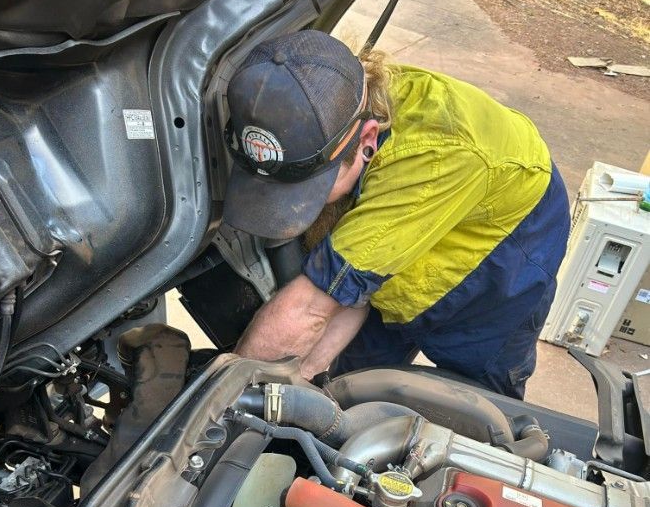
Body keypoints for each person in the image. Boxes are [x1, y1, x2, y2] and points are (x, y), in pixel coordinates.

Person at [223, 30, 570, 398]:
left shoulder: (433, 158)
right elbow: (347, 293)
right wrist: (302, 377)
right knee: (353, 386)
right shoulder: (328, 99)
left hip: (506, 253)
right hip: (421, 207)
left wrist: (230, 396)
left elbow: (312, 306)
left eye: (310, 188)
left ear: (367, 140)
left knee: (478, 400)